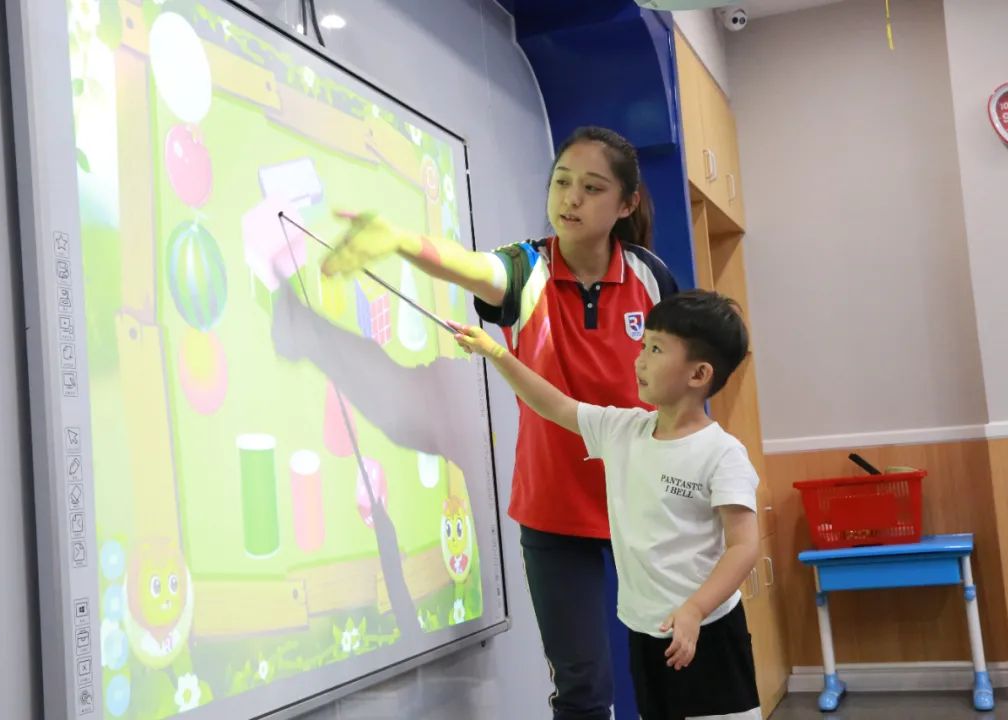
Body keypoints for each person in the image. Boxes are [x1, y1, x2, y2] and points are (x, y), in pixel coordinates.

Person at [322, 126, 678, 719]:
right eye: (562, 182)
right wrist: (399, 241)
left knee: (673, 674)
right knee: (584, 689)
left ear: (626, 204)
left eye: (592, 188)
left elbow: (684, 381)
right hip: (555, 511)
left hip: (646, 506)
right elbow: (469, 266)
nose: (571, 198)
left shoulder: (650, 277)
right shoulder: (526, 268)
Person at [450, 289, 762, 720]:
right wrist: (495, 353)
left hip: (707, 630)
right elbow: (554, 404)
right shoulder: (623, 430)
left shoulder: (722, 453)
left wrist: (695, 609)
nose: (640, 360)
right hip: (646, 629)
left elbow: (744, 546)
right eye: (643, 345)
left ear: (699, 374)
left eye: (656, 349)